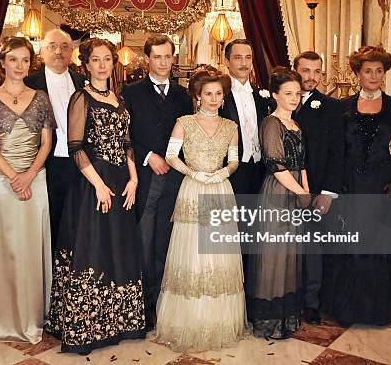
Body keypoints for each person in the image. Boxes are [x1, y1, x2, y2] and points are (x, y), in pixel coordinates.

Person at [47, 38, 146, 354]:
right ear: (86, 65)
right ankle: (86, 328)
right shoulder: (80, 98)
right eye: (96, 60)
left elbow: (127, 143)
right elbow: (76, 148)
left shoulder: (119, 98)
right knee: (94, 248)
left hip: (121, 183)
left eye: (107, 59)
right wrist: (99, 186)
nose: (102, 65)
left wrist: (133, 178)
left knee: (118, 246)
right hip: (92, 184)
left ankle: (121, 322)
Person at [322, 46, 391, 325]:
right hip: (350, 183)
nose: (374, 76)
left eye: (379, 71)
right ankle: (347, 309)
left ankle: (379, 310)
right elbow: (335, 150)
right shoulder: (343, 107)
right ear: (357, 74)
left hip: (381, 184)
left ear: (384, 73)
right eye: (368, 71)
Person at [154, 71, 247, 352]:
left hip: (220, 190)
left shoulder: (231, 126)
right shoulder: (184, 122)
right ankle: (189, 322)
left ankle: (218, 321)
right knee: (192, 253)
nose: (213, 99)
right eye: (208, 93)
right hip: (193, 189)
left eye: (218, 93)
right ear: (197, 95)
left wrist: (223, 173)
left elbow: (234, 160)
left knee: (218, 256)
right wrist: (192, 172)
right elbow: (171, 156)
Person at [0, 37, 56, 344]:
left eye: (24, 60)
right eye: (13, 60)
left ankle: (32, 317)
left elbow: (47, 143)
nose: (19, 66)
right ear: (2, 62)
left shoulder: (41, 98)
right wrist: (14, 178)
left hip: (36, 181)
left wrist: (29, 176)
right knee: (1, 250)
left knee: (29, 249)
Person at [122, 35, 192, 329]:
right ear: (147, 59)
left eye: (168, 57)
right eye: (158, 57)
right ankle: (142, 305)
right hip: (146, 177)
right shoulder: (130, 92)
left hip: (176, 179)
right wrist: (148, 155)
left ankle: (165, 302)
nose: (164, 62)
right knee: (143, 240)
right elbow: (124, 136)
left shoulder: (183, 95)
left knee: (169, 240)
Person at [247, 67, 309, 340]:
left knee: (289, 253)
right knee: (274, 255)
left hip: (295, 191)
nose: (294, 98)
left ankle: (286, 317)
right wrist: (300, 192)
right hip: (277, 192)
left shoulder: (296, 124)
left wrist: (305, 190)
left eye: (297, 93)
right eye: (288, 93)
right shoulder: (271, 123)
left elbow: (302, 163)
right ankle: (269, 320)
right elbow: (275, 164)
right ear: (275, 95)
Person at [292, 51, 344, 325]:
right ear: (295, 71)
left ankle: (311, 302)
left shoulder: (332, 108)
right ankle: (285, 298)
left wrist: (328, 192)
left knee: (311, 246)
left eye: (316, 72)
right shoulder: (277, 101)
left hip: (314, 190)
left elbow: (338, 154)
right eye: (306, 71)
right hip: (280, 187)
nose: (311, 77)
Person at [24, 29, 86, 251]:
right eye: (52, 46)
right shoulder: (29, 84)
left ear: (72, 52)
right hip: (46, 165)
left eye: (65, 46)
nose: (59, 51)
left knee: (79, 224)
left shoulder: (83, 82)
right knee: (49, 225)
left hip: (80, 165)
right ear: (41, 52)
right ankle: (50, 279)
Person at [219, 39, 270, 196]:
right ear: (227, 61)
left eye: (248, 57)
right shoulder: (219, 95)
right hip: (230, 170)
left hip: (260, 169)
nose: (244, 63)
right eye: (238, 57)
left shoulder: (262, 96)